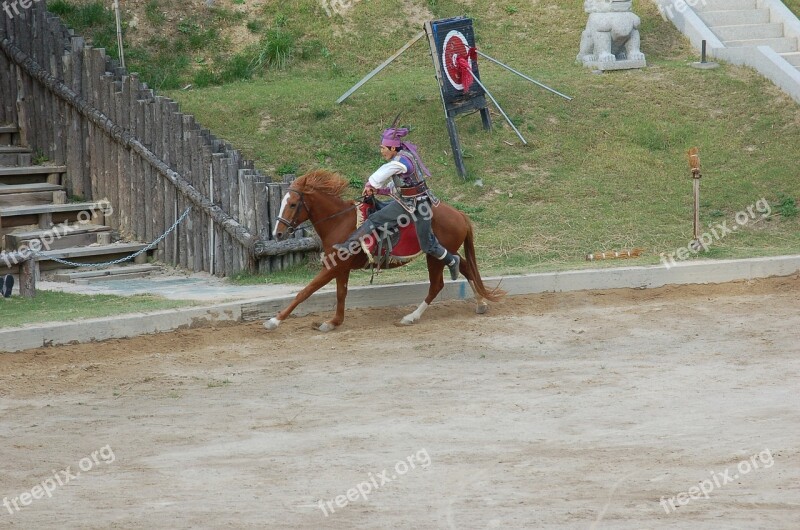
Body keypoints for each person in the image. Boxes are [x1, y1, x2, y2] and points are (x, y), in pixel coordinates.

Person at [332, 126, 460, 280]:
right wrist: (377, 191)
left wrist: (370, 184)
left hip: (418, 205)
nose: (381, 151)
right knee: (375, 219)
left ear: (393, 147)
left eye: (383, 148)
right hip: (407, 203)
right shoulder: (402, 159)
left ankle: (452, 261)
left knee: (427, 246)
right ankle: (348, 246)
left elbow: (382, 173)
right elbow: (398, 187)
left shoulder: (400, 161)